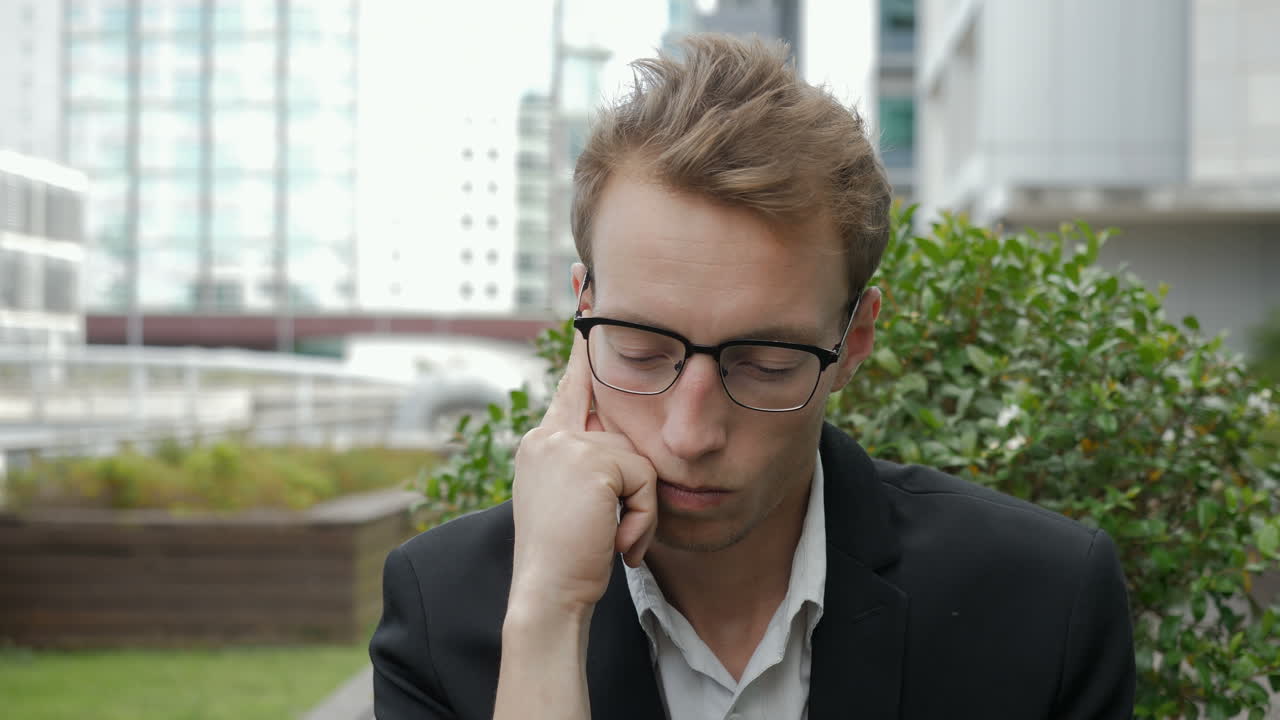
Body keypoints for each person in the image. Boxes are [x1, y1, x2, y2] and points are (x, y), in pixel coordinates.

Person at [370, 34, 1135, 719]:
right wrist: (546, 616)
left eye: (766, 364)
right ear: (584, 310)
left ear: (854, 340)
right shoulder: (442, 610)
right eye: (640, 351)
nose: (690, 434)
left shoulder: (1045, 601)